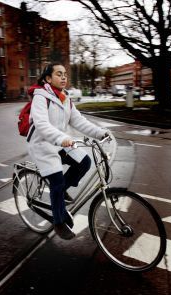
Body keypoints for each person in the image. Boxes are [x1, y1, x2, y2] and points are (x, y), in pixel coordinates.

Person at [26, 62, 109, 240]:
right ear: (48, 79)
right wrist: (62, 138)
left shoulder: (65, 98)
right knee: (56, 180)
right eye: (58, 74)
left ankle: (62, 189)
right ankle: (58, 221)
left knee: (84, 162)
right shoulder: (40, 97)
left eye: (64, 74)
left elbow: (79, 121)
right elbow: (41, 124)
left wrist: (100, 132)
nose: (63, 77)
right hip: (42, 144)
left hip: (61, 142)